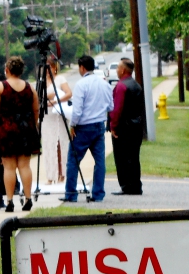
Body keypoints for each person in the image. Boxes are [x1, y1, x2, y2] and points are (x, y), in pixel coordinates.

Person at [0, 55, 40, 212]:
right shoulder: (30, 87)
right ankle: (28, 198)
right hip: (26, 129)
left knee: (9, 167)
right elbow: (35, 109)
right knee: (24, 165)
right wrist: (33, 125)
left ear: (7, 70)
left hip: (6, 129)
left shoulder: (0, 87)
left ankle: (9, 201)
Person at [62, 55, 113, 203]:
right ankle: (98, 194)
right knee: (99, 161)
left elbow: (77, 111)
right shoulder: (104, 84)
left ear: (82, 67)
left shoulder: (81, 84)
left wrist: (73, 125)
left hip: (83, 127)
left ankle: (71, 193)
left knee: (73, 160)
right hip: (99, 126)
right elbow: (111, 106)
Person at [109, 58, 145, 195]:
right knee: (134, 157)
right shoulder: (136, 85)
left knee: (123, 158)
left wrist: (113, 126)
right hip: (136, 126)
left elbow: (117, 109)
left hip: (124, 128)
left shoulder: (121, 86)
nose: (117, 70)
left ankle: (127, 186)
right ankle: (136, 185)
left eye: (118, 67)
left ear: (123, 70)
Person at [40, 57, 73, 185]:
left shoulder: (60, 79)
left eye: (50, 68)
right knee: (48, 144)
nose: (47, 71)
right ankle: (50, 175)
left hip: (58, 114)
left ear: (54, 68)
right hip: (47, 116)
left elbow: (68, 93)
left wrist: (54, 100)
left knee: (61, 144)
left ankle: (62, 174)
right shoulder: (41, 81)